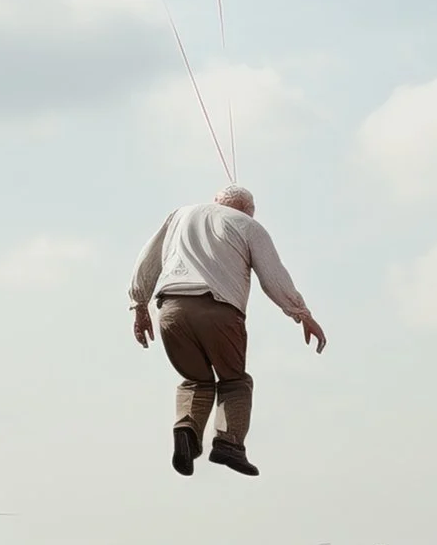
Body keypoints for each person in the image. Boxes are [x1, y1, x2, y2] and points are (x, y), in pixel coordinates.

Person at [129, 185, 325, 477]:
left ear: (216, 201)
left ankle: (187, 429)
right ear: (250, 210)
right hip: (218, 308)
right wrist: (301, 313)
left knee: (196, 380)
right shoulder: (249, 225)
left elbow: (148, 258)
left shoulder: (180, 215)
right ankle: (228, 443)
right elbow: (273, 276)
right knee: (234, 381)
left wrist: (139, 305)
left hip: (170, 309)